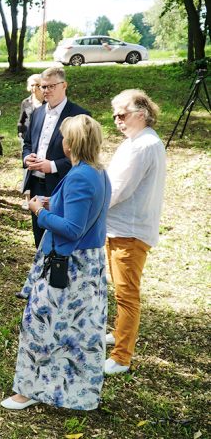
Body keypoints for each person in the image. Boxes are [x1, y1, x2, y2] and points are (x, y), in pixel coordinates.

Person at [1, 115, 111, 411]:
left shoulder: (79, 176)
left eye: (64, 137)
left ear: (71, 143)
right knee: (76, 334)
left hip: (68, 266)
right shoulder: (97, 171)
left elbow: (73, 228)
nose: (61, 141)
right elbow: (85, 212)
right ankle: (73, 391)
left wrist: (40, 212)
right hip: (87, 264)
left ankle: (29, 390)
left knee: (41, 325)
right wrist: (53, 202)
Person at [104, 90, 166, 375]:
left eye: (123, 114)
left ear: (141, 114)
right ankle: (118, 334)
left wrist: (90, 203)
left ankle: (121, 356)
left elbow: (117, 189)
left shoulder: (144, 146)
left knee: (127, 296)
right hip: (120, 227)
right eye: (115, 115)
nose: (118, 120)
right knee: (120, 291)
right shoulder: (137, 141)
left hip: (129, 231)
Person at [22, 67, 90, 248]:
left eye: (51, 86)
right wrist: (27, 157)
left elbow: (84, 155)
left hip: (62, 183)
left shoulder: (79, 116)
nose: (46, 91)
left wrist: (52, 165)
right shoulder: (37, 112)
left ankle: (58, 273)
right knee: (39, 236)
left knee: (59, 238)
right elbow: (27, 143)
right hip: (36, 183)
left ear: (64, 85)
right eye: (43, 87)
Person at [17, 74, 44, 143]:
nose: (34, 88)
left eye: (37, 85)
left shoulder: (48, 102)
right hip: (28, 137)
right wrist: (20, 134)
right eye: (32, 85)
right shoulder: (25, 102)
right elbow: (21, 120)